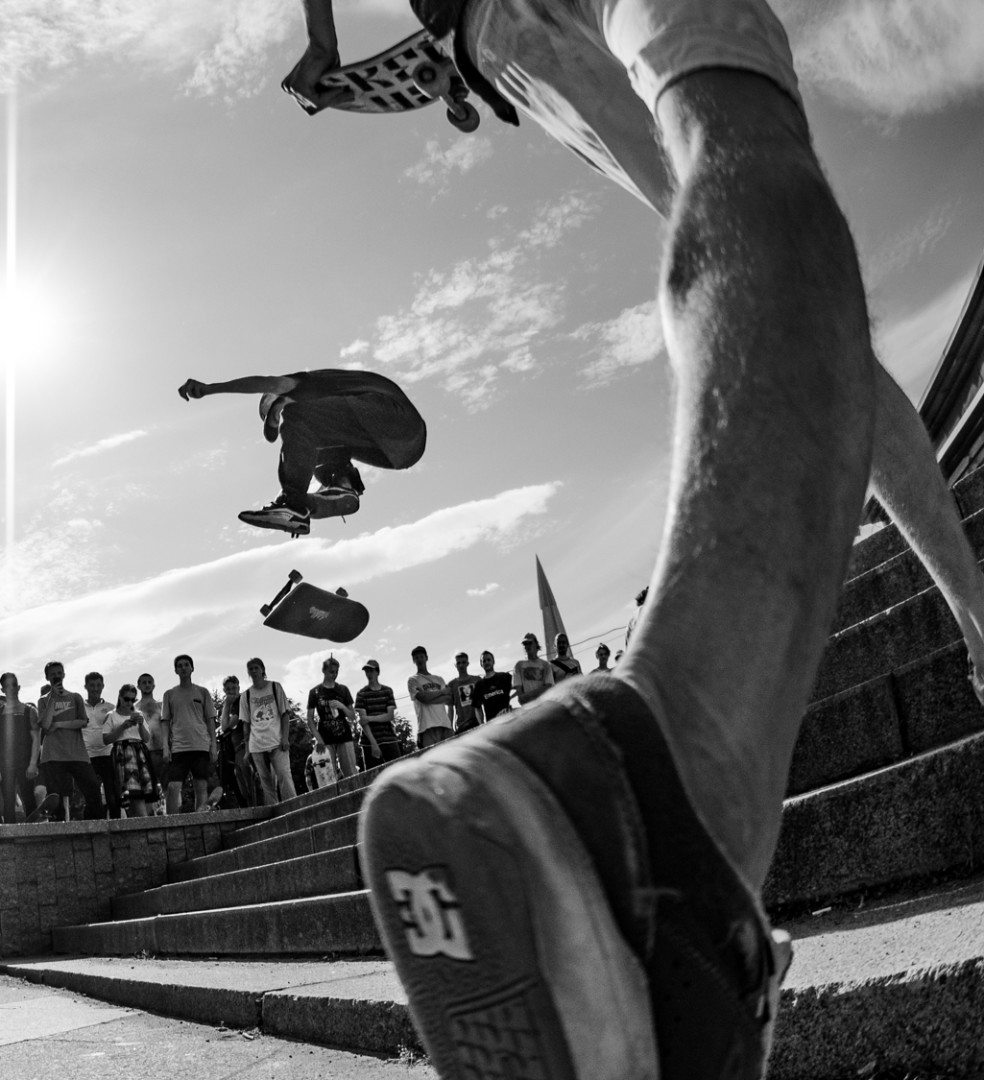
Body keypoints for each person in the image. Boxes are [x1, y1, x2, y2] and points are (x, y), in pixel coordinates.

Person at [282, 0, 984, 1070]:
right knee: (743, 166)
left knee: (742, 196)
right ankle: (649, 783)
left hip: (487, 34)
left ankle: (682, 890)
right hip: (493, 27)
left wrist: (334, 56)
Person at [177, 369, 427, 536]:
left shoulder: (302, 384)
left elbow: (267, 382)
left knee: (299, 417)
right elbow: (293, 441)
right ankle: (341, 487)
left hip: (392, 416)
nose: (279, 416)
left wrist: (211, 388)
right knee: (313, 442)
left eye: (275, 412)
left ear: (277, 399)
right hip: (400, 450)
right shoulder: (332, 408)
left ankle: (293, 504)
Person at [31, 662, 104, 821]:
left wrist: (59, 724)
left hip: (77, 753)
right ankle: (59, 830)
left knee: (92, 788)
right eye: (53, 674)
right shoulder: (43, 700)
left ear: (64, 674)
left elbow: (82, 722)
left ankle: (95, 825)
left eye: (59, 673)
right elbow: (45, 725)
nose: (56, 676)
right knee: (55, 797)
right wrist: (53, 700)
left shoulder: (75, 697)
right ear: (47, 677)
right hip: (53, 755)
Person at [161, 654, 219, 814]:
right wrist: (165, 746)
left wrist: (213, 746)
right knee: (173, 786)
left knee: (201, 785)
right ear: (175, 670)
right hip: (179, 747)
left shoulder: (203, 692)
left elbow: (210, 721)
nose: (183, 668)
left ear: (192, 668)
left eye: (186, 665)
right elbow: (165, 722)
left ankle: (199, 819)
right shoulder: (169, 694)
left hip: (201, 745)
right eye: (180, 665)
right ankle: (172, 822)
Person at [242, 658, 297, 806]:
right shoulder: (246, 695)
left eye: (256, 668)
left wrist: (285, 738)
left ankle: (292, 806)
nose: (254, 671)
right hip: (257, 743)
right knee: (266, 782)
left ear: (262, 669)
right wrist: (247, 750)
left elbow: (285, 714)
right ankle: (274, 811)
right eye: (251, 669)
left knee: (284, 775)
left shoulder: (275, 687)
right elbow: (246, 724)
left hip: (277, 739)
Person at [0, 672, 40, 823]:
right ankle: (10, 837)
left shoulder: (30, 711)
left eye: (13, 685)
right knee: (8, 803)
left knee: (29, 799)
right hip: (5, 765)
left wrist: (32, 764)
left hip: (25, 763)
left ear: (18, 687)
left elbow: (36, 739)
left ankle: (33, 833)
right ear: (3, 689)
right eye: (7, 686)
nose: (11, 688)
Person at [104, 684, 159, 818]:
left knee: (142, 791)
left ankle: (142, 820)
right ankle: (142, 820)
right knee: (130, 792)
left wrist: (140, 724)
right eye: (126, 699)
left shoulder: (138, 715)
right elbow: (106, 739)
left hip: (139, 752)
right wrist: (123, 726)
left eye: (132, 700)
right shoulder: (111, 716)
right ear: (120, 697)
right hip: (122, 752)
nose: (129, 702)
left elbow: (146, 738)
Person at [307, 657, 359, 781]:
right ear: (324, 671)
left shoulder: (343, 689)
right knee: (328, 777)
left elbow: (352, 716)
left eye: (336, 672)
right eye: (331, 671)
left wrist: (341, 706)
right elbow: (309, 718)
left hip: (344, 736)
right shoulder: (315, 692)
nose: (334, 674)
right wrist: (318, 739)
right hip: (325, 739)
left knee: (351, 774)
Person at [83, 672, 123, 819]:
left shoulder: (111, 707)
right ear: (86, 686)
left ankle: (116, 826)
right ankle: (91, 827)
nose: (95, 689)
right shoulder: (79, 706)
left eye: (98, 685)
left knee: (112, 793)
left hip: (108, 753)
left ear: (103, 686)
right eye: (92, 685)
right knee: (91, 794)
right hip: (87, 756)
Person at [355, 660, 402, 766]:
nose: (368, 674)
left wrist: (370, 718)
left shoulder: (387, 691)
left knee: (398, 770)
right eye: (366, 671)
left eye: (371, 670)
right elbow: (363, 721)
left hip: (388, 738)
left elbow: (390, 716)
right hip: (369, 742)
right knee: (374, 778)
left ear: (377, 672)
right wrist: (373, 744)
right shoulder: (361, 694)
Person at [217, 675, 255, 806]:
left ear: (239, 687)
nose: (231, 691)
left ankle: (255, 808)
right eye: (228, 689)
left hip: (244, 745)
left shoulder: (241, 701)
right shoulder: (231, 705)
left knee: (249, 783)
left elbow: (225, 726)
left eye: (234, 688)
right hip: (235, 749)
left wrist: (226, 704)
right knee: (241, 783)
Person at [406, 646, 452, 750]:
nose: (419, 660)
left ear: (426, 658)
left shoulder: (439, 679)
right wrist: (441, 692)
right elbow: (423, 699)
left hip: (445, 725)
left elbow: (448, 699)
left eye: (421, 657)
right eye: (416, 658)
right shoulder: (413, 680)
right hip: (427, 727)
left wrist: (431, 697)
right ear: (414, 660)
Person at [136, 673, 167, 810]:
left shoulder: (161, 706)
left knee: (168, 785)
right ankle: (150, 817)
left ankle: (171, 814)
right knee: (147, 788)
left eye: (149, 682)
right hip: (144, 752)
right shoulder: (135, 708)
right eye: (144, 682)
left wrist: (168, 747)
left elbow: (168, 728)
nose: (147, 685)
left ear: (154, 685)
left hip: (162, 750)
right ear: (139, 686)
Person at [512, 631, 555, 706]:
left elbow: (548, 687)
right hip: (528, 708)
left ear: (536, 644)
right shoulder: (518, 665)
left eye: (530, 643)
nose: (527, 646)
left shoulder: (546, 665)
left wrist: (527, 695)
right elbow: (520, 697)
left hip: (544, 706)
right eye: (525, 644)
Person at [446, 652, 482, 734]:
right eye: (458, 663)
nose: (461, 665)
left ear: (467, 663)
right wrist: (450, 728)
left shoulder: (477, 680)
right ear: (455, 665)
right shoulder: (451, 685)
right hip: (461, 727)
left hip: (477, 724)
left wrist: (483, 724)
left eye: (463, 662)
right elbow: (450, 709)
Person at [473, 650, 513, 723]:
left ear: (493, 661)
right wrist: (482, 725)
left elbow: (519, 686)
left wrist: (511, 698)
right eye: (484, 661)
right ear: (481, 664)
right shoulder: (479, 685)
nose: (487, 662)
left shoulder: (505, 677)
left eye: (489, 660)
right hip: (493, 726)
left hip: (510, 720)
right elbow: (477, 707)